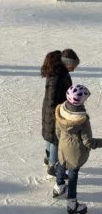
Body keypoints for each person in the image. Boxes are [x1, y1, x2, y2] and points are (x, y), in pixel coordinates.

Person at [53, 84, 102, 214]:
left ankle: (59, 187)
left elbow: (58, 132)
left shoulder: (60, 111)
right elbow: (88, 142)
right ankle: (72, 204)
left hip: (63, 146)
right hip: (76, 152)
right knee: (73, 175)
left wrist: (63, 141)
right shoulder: (82, 120)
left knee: (61, 165)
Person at [41, 49, 79, 179]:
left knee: (51, 137)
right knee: (55, 140)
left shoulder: (59, 71)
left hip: (53, 111)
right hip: (55, 113)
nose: (73, 69)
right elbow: (52, 99)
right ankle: (53, 167)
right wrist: (58, 114)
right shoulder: (57, 77)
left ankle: (48, 159)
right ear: (67, 63)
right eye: (72, 66)